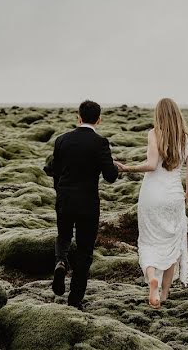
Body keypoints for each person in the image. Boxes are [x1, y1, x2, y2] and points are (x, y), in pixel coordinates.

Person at [114, 97, 188, 308]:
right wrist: (187, 195)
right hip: (173, 195)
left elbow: (151, 165)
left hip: (151, 194)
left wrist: (128, 169)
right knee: (173, 242)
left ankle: (152, 277)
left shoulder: (154, 134)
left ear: (158, 114)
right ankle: (165, 293)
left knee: (149, 240)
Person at [44, 99, 118, 310]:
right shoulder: (100, 143)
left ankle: (60, 262)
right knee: (85, 250)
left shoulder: (61, 140)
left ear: (78, 117)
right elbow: (110, 176)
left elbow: (54, 170)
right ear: (99, 120)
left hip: (65, 199)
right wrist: (113, 165)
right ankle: (75, 299)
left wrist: (59, 192)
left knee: (64, 236)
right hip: (88, 202)